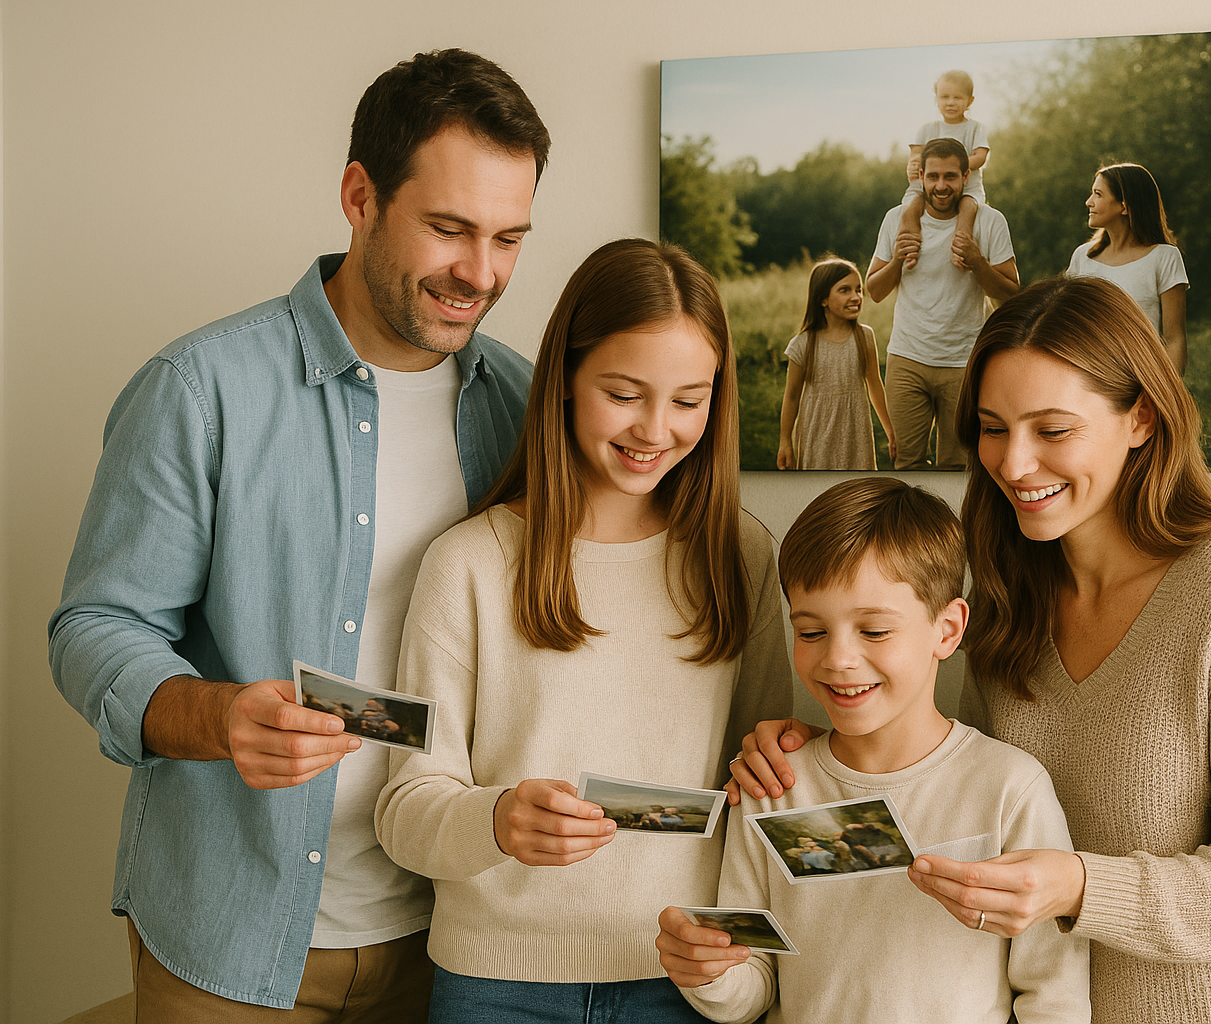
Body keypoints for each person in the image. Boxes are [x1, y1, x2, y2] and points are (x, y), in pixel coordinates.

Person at [48, 49, 548, 1019]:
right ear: (360, 196)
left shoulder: (527, 409)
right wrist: (218, 717)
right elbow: (95, 627)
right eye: (448, 228)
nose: (480, 273)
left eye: (508, 238)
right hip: (230, 934)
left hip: (451, 936)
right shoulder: (201, 390)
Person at [729, 278, 1211, 1023]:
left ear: (1140, 418)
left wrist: (1080, 887)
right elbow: (954, 786)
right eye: (993, 428)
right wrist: (813, 752)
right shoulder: (1005, 599)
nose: (1015, 463)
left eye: (1052, 430)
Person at [375, 238, 794, 1024]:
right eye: (625, 394)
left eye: (689, 400)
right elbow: (405, 812)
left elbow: (763, 796)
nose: (656, 429)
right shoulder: (468, 564)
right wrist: (497, 820)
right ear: (565, 378)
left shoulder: (742, 557)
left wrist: (787, 757)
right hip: (494, 985)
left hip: (688, 982)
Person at [658, 477, 1089, 1024]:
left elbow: (1054, 993)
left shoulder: (1008, 789)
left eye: (875, 631)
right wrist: (710, 971)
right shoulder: (773, 788)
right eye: (811, 632)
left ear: (947, 629)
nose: (838, 658)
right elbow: (756, 981)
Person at [868, 137, 1018, 471]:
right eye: (933, 176)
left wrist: (977, 262)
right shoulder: (896, 219)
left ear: (966, 177)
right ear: (920, 176)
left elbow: (1011, 295)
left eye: (950, 176)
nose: (940, 186)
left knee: (958, 468)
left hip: (964, 363)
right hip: (907, 359)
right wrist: (897, 260)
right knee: (907, 466)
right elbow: (874, 291)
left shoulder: (990, 221)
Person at [1066, 163, 1189, 372]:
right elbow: (1068, 330)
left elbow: (1175, 339)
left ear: (1124, 206)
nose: (1088, 202)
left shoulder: (1164, 257)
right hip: (1089, 379)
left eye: (1098, 194)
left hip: (1142, 378)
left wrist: (1165, 390)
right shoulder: (1082, 257)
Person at [775, 258, 895, 471]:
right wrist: (785, 442)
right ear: (823, 299)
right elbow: (792, 396)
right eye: (844, 290)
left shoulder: (864, 337)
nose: (855, 297)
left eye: (858, 290)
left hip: (855, 432)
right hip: (817, 432)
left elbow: (875, 385)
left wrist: (891, 432)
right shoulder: (803, 344)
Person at [897, 70, 990, 271]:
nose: (950, 103)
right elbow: (915, 155)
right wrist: (913, 164)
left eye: (957, 97)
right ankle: (911, 248)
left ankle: (960, 248)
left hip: (967, 189)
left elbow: (980, 157)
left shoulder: (975, 128)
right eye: (945, 97)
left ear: (970, 101)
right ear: (936, 99)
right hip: (929, 189)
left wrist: (954, 165)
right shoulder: (926, 129)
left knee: (967, 210)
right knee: (910, 209)